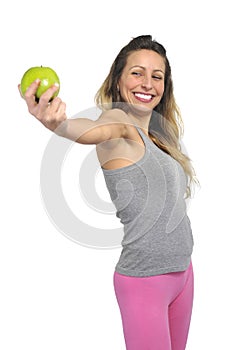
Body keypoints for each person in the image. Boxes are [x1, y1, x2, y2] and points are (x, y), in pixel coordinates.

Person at [19, 35, 197, 350]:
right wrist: (58, 124)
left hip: (183, 274)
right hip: (146, 282)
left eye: (157, 76)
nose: (147, 83)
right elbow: (90, 130)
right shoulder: (117, 122)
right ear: (118, 80)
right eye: (137, 72)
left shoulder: (159, 134)